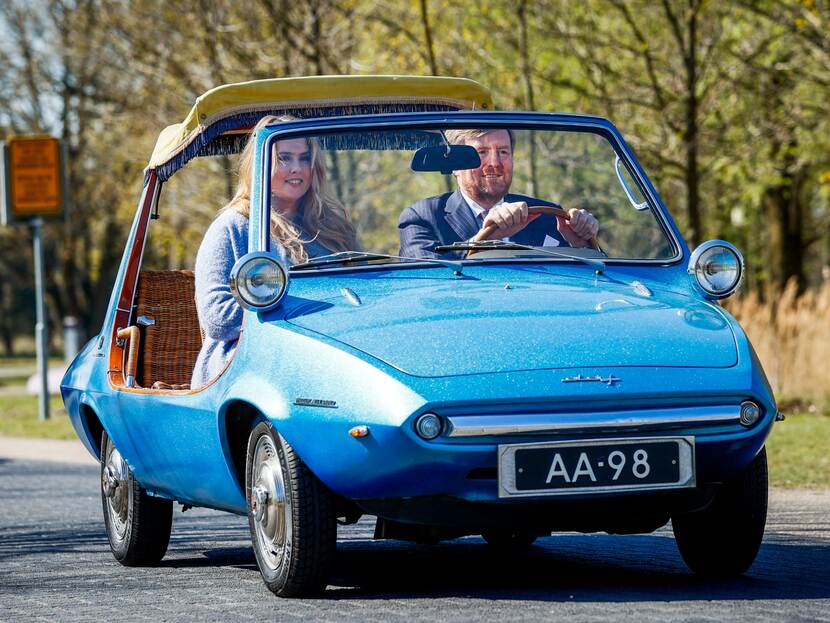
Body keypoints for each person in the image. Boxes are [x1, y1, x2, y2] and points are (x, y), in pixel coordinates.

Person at [190, 115, 357, 388]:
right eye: (284, 158)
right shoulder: (233, 227)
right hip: (245, 369)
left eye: (305, 159)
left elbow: (366, 289)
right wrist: (310, 310)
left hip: (335, 356)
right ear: (259, 165)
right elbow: (217, 317)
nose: (297, 169)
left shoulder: (335, 227)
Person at [398, 128, 599, 259]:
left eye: (503, 152)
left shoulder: (549, 216)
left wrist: (582, 246)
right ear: (455, 166)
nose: (494, 163)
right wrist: (482, 241)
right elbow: (424, 284)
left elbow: (594, 284)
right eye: (481, 153)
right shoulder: (423, 217)